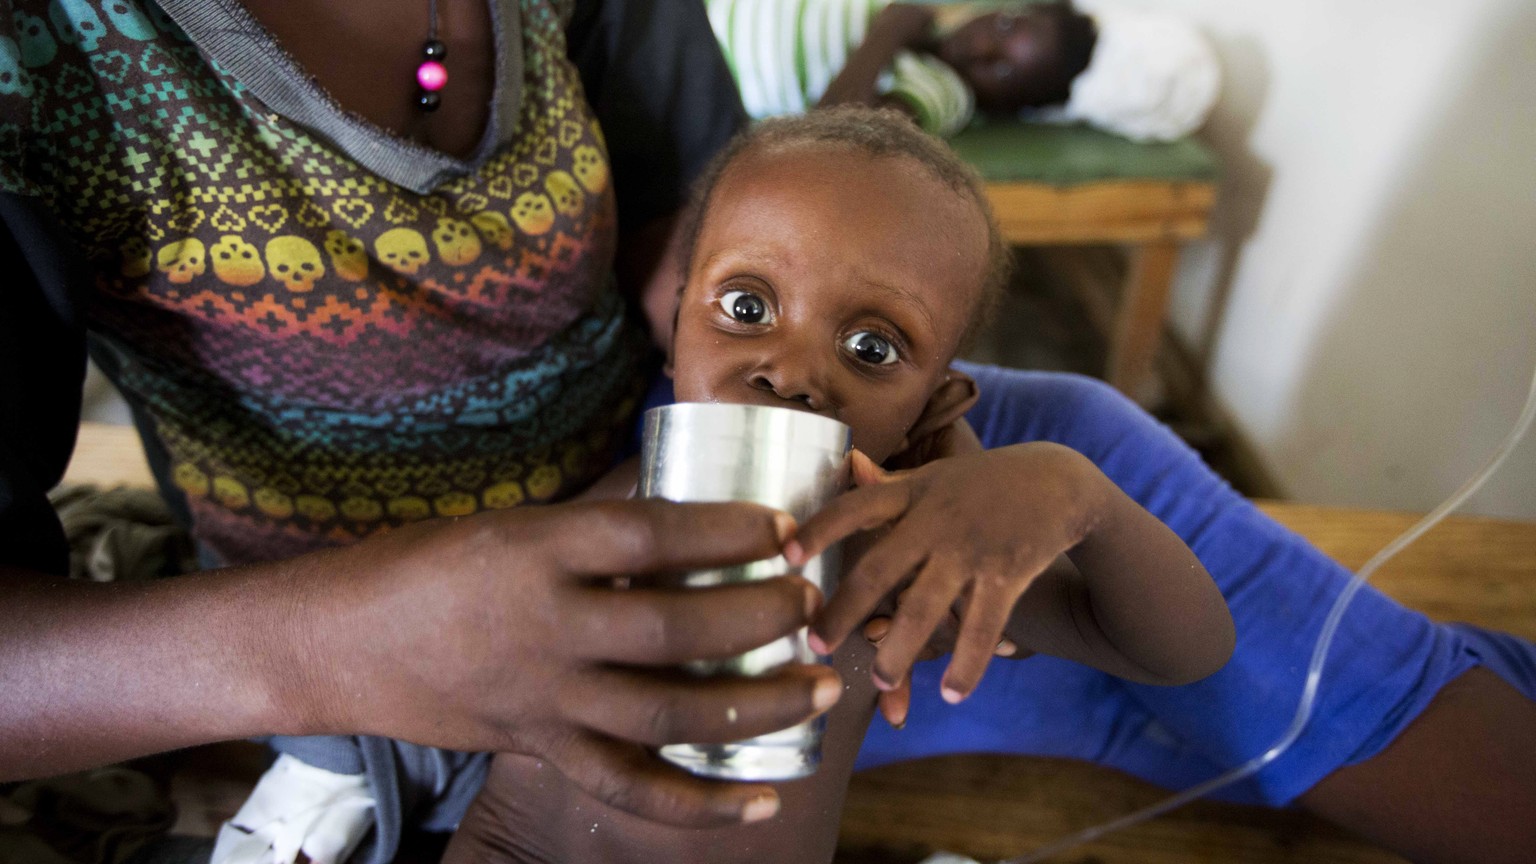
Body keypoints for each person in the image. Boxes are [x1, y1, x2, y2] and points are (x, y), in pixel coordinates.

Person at [446, 108, 1536, 864]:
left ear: (935, 406)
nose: (792, 368)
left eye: (872, 349)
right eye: (744, 307)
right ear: (672, 323)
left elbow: (1185, 652)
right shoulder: (604, 528)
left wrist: (1078, 497)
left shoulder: (901, 562)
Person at [2, 1, 843, 862]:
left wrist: (847, 390)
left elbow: (677, 225)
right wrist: (327, 655)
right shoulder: (41, 47)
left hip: (641, 477)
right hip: (323, 642)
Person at [707, 0, 1220, 142]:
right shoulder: (932, 26)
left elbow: (833, 137)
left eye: (999, 70)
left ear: (1012, 107)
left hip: (700, 63)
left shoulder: (943, 93)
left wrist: (891, 29)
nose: (980, 47)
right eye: (1002, 25)